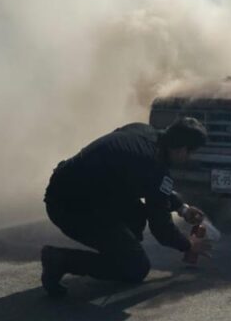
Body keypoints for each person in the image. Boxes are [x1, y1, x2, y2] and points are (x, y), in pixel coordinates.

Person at [39, 118, 210, 297]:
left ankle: (118, 251)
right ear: (181, 148)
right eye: (190, 152)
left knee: (136, 216)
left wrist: (182, 208)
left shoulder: (141, 130)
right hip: (70, 210)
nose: (188, 158)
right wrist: (188, 246)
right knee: (136, 268)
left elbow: (150, 184)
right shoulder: (154, 166)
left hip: (64, 193)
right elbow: (161, 229)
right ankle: (61, 260)